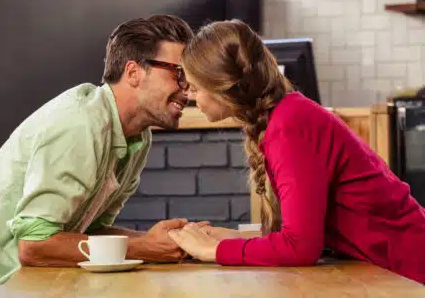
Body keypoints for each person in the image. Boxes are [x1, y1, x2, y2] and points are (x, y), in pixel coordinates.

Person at [168, 19, 425, 284]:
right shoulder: (288, 116)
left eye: (196, 88)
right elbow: (304, 234)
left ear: (225, 86)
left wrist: (213, 250)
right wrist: (232, 237)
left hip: (410, 272)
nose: (190, 97)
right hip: (392, 269)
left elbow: (301, 247)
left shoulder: (289, 127)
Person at [0, 14, 197, 298]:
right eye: (179, 73)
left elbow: (92, 232)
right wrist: (144, 247)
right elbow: (34, 244)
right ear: (134, 72)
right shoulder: (81, 124)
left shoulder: (136, 137)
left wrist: (174, 241)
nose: (188, 89)